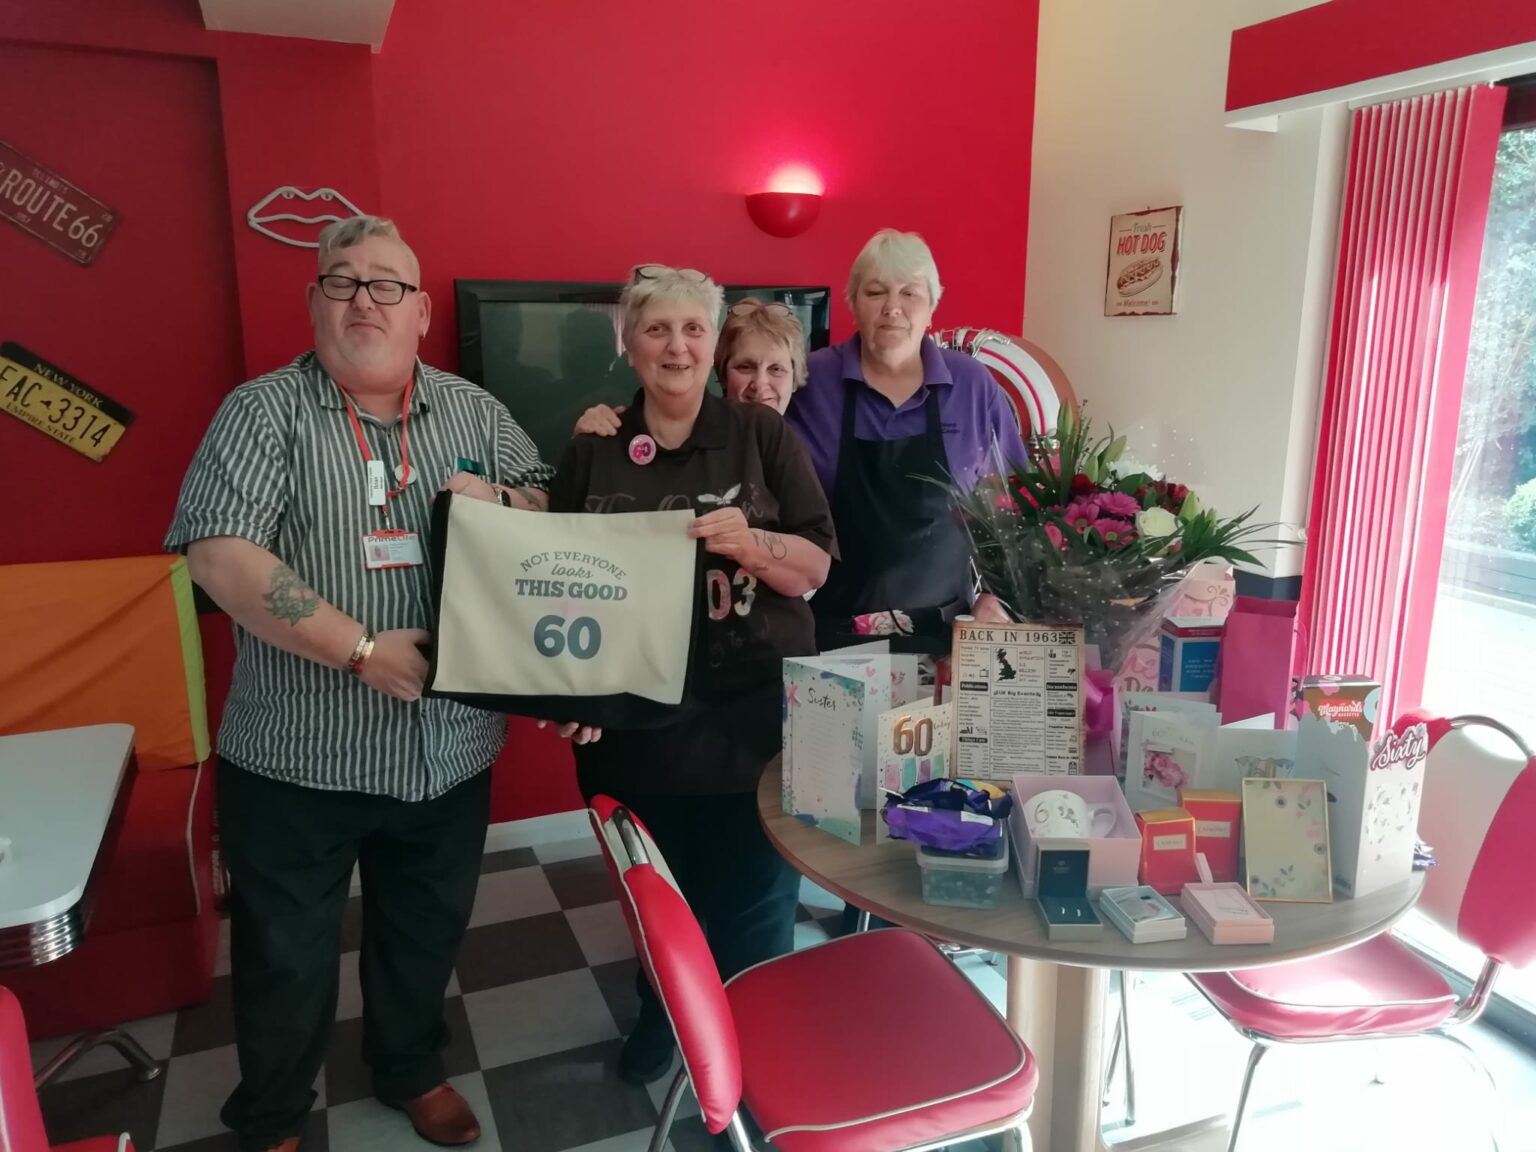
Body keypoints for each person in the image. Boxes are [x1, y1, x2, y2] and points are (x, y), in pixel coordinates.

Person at [165, 216, 551, 1152]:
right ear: (314, 303)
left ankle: (409, 1068)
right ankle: (272, 1116)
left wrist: (504, 499)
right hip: (298, 756)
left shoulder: (475, 412)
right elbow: (219, 558)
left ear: (421, 312)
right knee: (284, 955)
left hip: (447, 749)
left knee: (423, 932)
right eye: (342, 281)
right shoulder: (262, 412)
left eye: (387, 285)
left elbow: (544, 503)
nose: (364, 300)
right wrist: (361, 648)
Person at [547, 264, 836, 1086]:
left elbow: (815, 565)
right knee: (659, 901)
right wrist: (571, 691)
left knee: (755, 908)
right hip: (632, 726)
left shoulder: (761, 436)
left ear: (713, 344)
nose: (676, 346)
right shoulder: (595, 445)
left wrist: (756, 544)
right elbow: (559, 584)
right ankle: (664, 1017)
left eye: (693, 329)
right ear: (627, 343)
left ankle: (756, 1062)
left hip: (754, 722)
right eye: (657, 329)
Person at [789, 228, 1025, 651]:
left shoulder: (972, 386)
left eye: (910, 293)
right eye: (875, 292)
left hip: (948, 634)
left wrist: (999, 596)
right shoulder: (809, 381)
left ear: (932, 306)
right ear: (853, 304)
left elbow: (1016, 508)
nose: (892, 308)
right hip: (830, 637)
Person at [573, 295, 808, 431]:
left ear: (795, 378)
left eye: (776, 369)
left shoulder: (810, 442)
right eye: (745, 367)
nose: (760, 383)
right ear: (722, 373)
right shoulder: (687, 435)